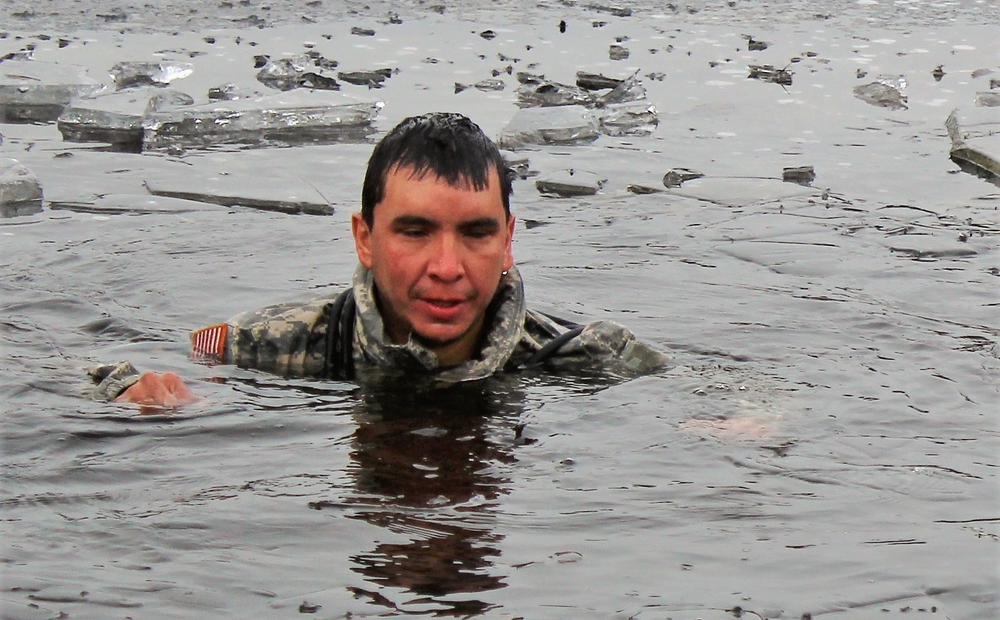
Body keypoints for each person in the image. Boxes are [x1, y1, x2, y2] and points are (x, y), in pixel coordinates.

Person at [91, 113, 668, 407]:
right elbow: (133, 371)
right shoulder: (267, 346)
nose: (447, 266)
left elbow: (703, 394)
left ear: (509, 240)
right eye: (415, 232)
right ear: (364, 238)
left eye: (475, 233)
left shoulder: (585, 356)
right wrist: (132, 393)